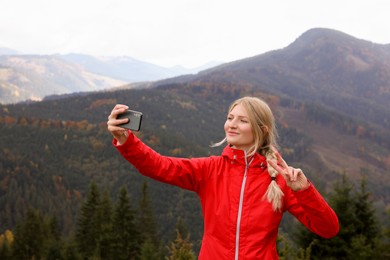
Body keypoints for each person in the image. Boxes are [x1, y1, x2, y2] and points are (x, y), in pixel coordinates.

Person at [107, 96, 339, 259]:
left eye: (242, 120)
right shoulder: (210, 170)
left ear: (262, 130)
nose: (232, 125)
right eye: (230, 118)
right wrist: (127, 141)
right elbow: (159, 166)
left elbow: (328, 229)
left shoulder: (280, 180)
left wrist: (304, 189)